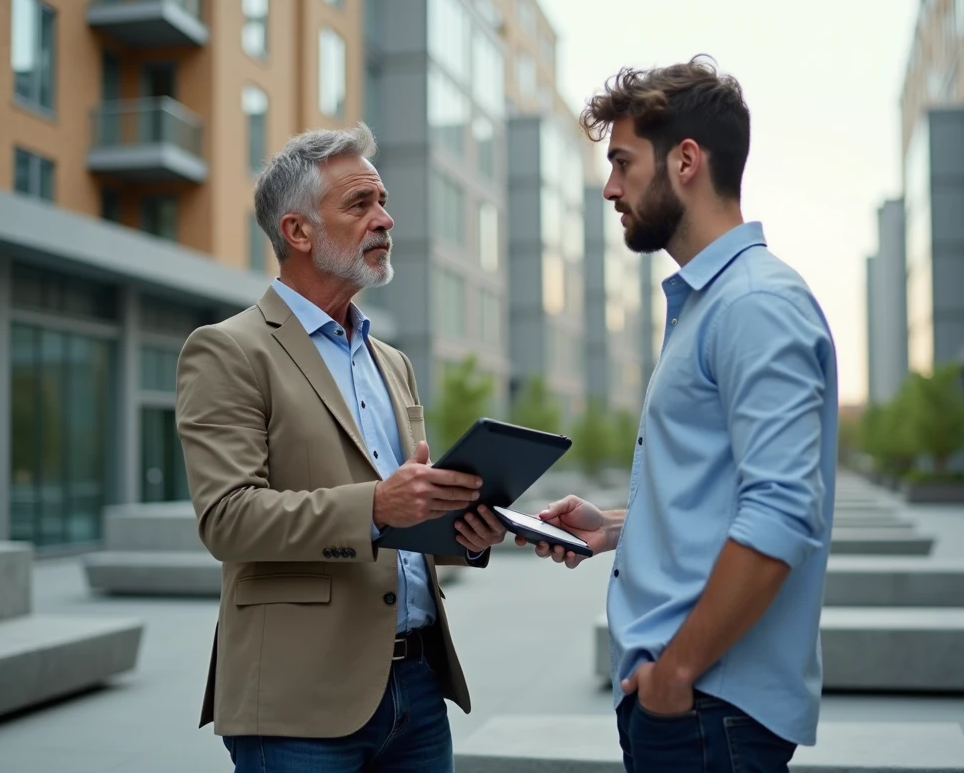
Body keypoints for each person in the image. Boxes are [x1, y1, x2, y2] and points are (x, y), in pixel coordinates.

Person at [519, 56, 838, 772]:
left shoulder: (754, 305)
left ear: (686, 160)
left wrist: (675, 674)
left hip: (707, 710)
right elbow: (725, 496)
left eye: (624, 162)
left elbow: (782, 513)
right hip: (697, 708)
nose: (610, 187)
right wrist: (612, 531)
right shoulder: (713, 304)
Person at [175, 123, 509, 773]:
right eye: (360, 205)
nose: (384, 220)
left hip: (417, 688)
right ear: (297, 232)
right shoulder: (228, 350)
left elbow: (406, 517)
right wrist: (378, 506)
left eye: (382, 202)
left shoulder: (393, 363)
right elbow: (228, 519)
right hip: (298, 699)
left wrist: (466, 530)